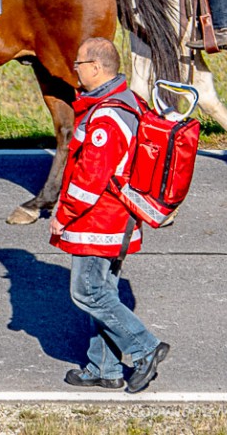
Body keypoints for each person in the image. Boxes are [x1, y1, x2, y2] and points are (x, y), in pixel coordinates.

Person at [50, 37, 170, 393]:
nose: (76, 71)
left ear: (97, 68)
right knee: (104, 293)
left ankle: (145, 347)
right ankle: (104, 367)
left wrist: (64, 214)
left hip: (99, 222)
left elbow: (90, 177)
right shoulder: (127, 101)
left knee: (88, 293)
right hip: (116, 221)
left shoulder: (106, 116)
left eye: (79, 65)